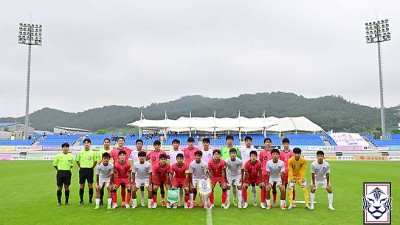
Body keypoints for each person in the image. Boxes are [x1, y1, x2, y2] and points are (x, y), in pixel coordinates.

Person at [76, 138, 97, 205]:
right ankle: (81, 200)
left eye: (88, 143)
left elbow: (95, 161)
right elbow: (77, 161)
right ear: (83, 144)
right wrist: (81, 166)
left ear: (90, 144)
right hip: (82, 170)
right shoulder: (80, 152)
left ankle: (90, 200)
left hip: (90, 170)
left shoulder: (93, 152)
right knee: (81, 185)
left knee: (90, 185)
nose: (86, 144)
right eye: (85, 143)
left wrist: (92, 167)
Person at [147, 140, 167, 206]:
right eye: (155, 145)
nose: (157, 146)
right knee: (154, 187)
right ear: (154, 146)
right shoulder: (151, 153)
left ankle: (163, 200)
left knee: (162, 187)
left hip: (162, 172)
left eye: (158, 145)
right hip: (154, 173)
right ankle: (153, 200)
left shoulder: (163, 152)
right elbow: (146, 159)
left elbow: (166, 160)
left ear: (160, 146)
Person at [240, 136, 258, 206]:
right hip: (245, 170)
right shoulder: (241, 149)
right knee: (244, 185)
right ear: (245, 142)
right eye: (247, 141)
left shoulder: (254, 150)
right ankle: (243, 200)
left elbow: (257, 160)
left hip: (253, 170)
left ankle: (254, 199)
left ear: (251, 142)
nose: (248, 142)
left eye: (249, 141)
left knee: (254, 186)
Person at [96, 138, 113, 206]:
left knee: (110, 187)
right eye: (105, 142)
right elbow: (98, 161)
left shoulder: (112, 151)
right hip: (103, 170)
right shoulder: (100, 151)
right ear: (103, 143)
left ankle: (111, 201)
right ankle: (101, 200)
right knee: (101, 187)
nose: (106, 143)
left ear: (109, 143)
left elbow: (114, 159)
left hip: (110, 170)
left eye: (107, 142)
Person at [279, 138, 295, 207]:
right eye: (284, 144)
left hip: (291, 173)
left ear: (289, 144)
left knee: (292, 187)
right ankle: (284, 201)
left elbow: (294, 163)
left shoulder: (291, 153)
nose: (286, 145)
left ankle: (293, 201)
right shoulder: (281, 153)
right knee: (284, 187)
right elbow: (279, 163)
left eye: (287, 144)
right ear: (283, 144)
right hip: (283, 173)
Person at [259, 137, 273, 208]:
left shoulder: (273, 152)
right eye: (266, 142)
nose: (268, 143)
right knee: (263, 187)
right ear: (264, 143)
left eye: (269, 142)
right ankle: (262, 202)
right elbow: (261, 162)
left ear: (271, 143)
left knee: (271, 188)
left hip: (272, 173)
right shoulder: (261, 152)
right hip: (264, 172)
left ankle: (270, 202)